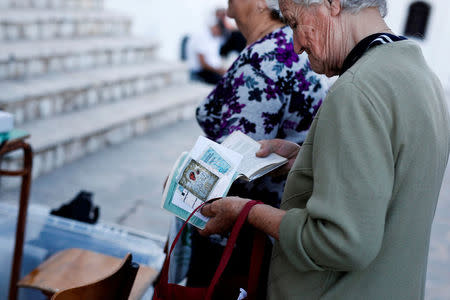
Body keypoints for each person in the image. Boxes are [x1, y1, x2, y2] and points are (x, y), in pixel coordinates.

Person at [199, 0, 450, 299]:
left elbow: (338, 241)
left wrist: (247, 211)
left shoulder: (357, 90)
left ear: (332, 4)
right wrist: (304, 158)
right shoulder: (422, 76)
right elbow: (387, 180)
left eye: (293, 23)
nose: (296, 46)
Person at [187, 0, 329, 297]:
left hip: (240, 235)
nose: (229, 5)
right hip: (273, 225)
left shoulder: (265, 59)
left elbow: (236, 160)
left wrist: (180, 186)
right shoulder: (285, 45)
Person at [187, 15, 227, 85]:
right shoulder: (201, 36)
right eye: (220, 32)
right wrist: (219, 70)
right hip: (201, 72)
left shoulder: (214, 38)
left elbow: (214, 59)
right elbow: (203, 64)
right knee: (225, 83)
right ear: (216, 27)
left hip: (211, 70)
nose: (219, 34)